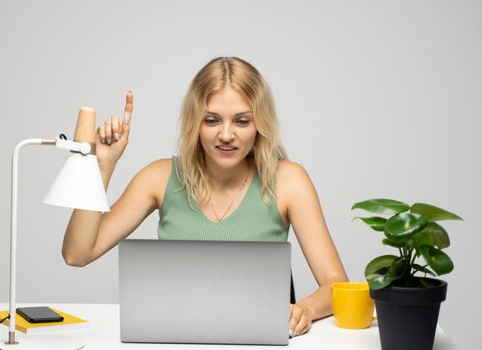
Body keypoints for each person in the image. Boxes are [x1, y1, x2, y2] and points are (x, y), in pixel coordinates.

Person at [62, 56, 348, 337]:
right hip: (175, 339)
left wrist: (305, 309)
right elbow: (77, 254)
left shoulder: (289, 180)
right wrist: (102, 165)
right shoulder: (159, 177)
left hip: (259, 342)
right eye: (211, 120)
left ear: (259, 124)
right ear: (194, 123)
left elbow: (337, 284)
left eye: (242, 121)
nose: (226, 134)